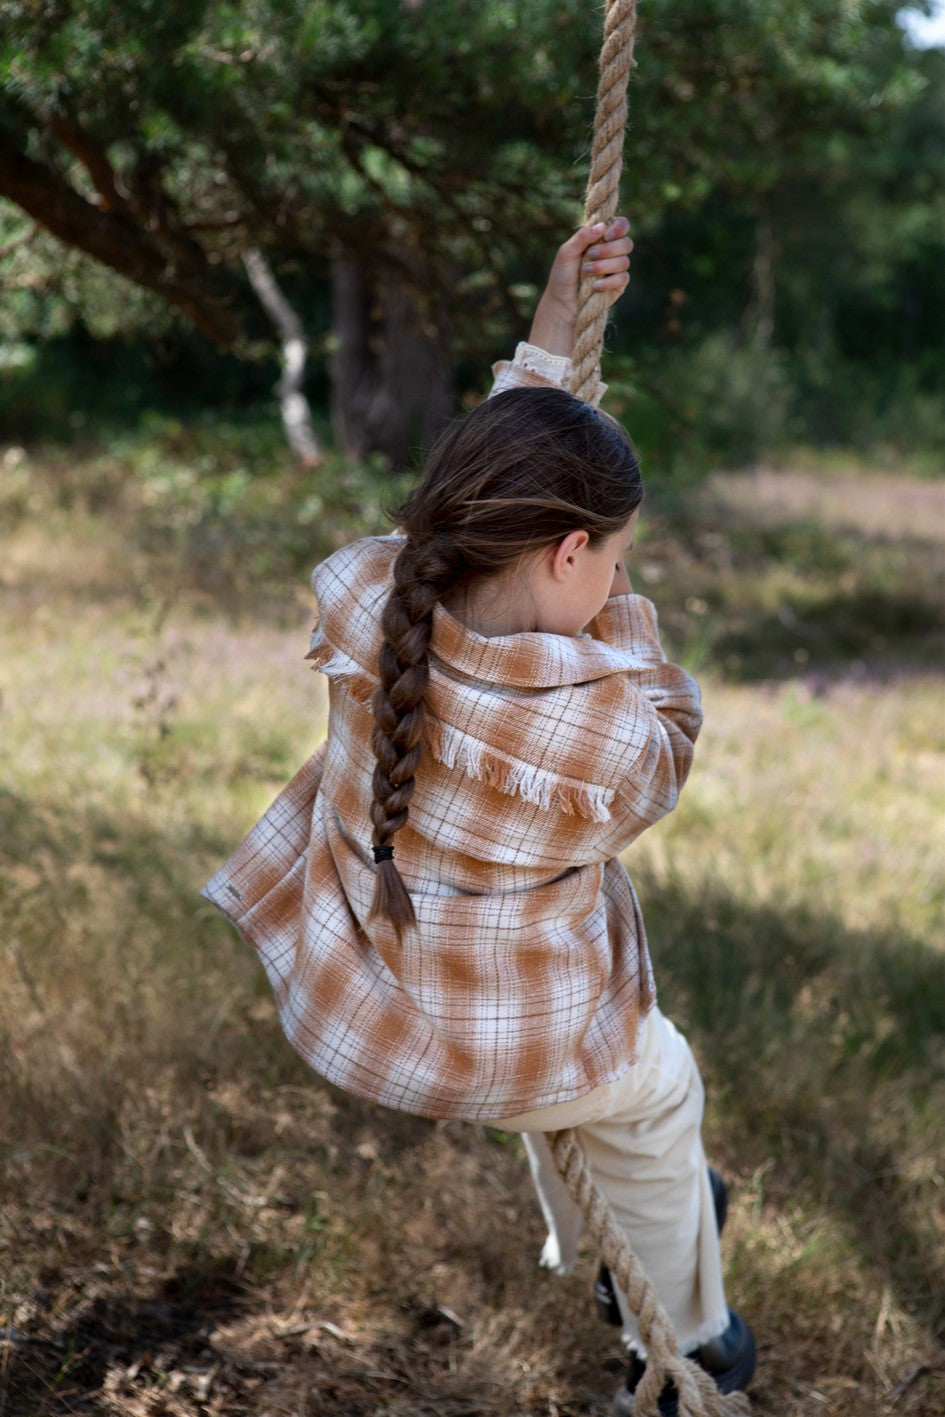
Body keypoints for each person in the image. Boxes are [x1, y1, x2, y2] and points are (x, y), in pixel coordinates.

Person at [201, 219, 755, 1416]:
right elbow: (668, 748)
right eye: (613, 559)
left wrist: (555, 327)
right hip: (504, 1034)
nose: (618, 582)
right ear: (570, 552)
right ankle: (692, 1344)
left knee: (578, 1094)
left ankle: (621, 1256)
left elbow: (483, 476)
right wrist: (615, 632)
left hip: (374, 1004)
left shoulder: (374, 593)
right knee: (657, 1090)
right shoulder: (599, 728)